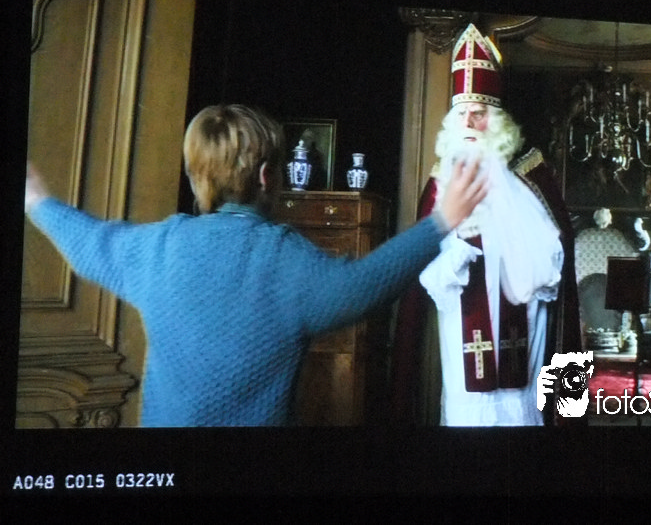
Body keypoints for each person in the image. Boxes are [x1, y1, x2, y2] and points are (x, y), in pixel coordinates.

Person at [24, 104, 488, 427]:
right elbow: (362, 286)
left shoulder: (155, 247)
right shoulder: (283, 257)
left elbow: (87, 242)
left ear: (196, 176)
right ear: (268, 176)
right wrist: (441, 221)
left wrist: (37, 201)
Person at [390, 23, 582, 426]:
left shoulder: (529, 179)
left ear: (497, 123)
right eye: (462, 115)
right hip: (463, 345)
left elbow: (553, 268)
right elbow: (427, 277)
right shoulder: (440, 186)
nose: (469, 125)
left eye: (478, 114)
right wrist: (458, 250)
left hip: (523, 342)